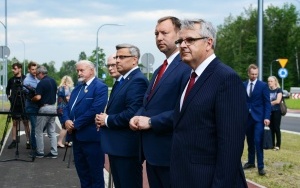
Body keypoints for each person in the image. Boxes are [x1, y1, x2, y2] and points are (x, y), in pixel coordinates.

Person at [169, 19, 248, 188]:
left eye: (189, 40)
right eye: (180, 41)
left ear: (208, 43)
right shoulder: (190, 78)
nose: (182, 45)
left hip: (209, 180)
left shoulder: (226, 79)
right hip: (185, 177)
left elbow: (231, 145)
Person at [129, 16, 190, 188]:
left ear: (179, 34)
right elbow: (147, 103)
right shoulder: (159, 70)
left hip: (171, 154)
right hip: (153, 153)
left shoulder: (186, 67)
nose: (159, 38)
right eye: (156, 34)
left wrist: (150, 122)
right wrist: (137, 116)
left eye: (165, 33)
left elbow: (184, 110)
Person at [96, 44, 148, 188]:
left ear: (134, 60)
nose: (118, 60)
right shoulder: (123, 80)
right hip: (118, 147)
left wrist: (106, 120)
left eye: (122, 57)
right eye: (117, 57)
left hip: (126, 148)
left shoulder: (137, 80)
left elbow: (132, 113)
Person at [62, 60, 108, 188]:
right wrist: (66, 120)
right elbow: (67, 107)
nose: (79, 73)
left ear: (92, 70)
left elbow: (95, 110)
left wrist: (75, 124)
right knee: (83, 174)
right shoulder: (78, 87)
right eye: (77, 70)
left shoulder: (100, 87)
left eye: (82, 70)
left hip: (91, 138)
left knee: (96, 175)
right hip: (77, 138)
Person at [243, 64, 271, 176]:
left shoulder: (263, 86)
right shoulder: (243, 85)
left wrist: (267, 117)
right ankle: (250, 162)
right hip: (247, 118)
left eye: (256, 74)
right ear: (248, 73)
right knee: (249, 141)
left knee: (257, 141)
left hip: (259, 118)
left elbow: (267, 103)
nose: (254, 76)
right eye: (252, 74)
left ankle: (261, 166)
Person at [31, 66, 58, 158]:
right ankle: (54, 152)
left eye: (37, 74)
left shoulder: (41, 83)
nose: (36, 76)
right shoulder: (53, 81)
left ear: (41, 73)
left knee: (38, 130)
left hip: (44, 108)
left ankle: (40, 151)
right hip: (53, 108)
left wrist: (32, 98)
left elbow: (38, 97)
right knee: (52, 131)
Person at [6, 62, 31, 149]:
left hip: (24, 103)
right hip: (14, 104)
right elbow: (7, 89)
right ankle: (14, 140)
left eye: (15, 68)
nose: (13, 70)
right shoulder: (11, 80)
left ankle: (28, 141)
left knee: (26, 122)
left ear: (20, 69)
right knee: (14, 123)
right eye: (13, 69)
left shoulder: (25, 79)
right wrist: (9, 97)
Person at [24, 61, 39, 151]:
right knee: (34, 126)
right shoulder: (27, 80)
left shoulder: (38, 78)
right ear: (29, 69)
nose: (34, 71)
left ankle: (35, 143)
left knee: (38, 126)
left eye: (36, 69)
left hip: (38, 106)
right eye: (32, 69)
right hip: (31, 105)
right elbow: (26, 94)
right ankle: (34, 146)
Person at [57, 75, 74, 148]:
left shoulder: (59, 88)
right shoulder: (67, 88)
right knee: (65, 126)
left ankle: (67, 141)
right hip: (65, 108)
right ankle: (60, 142)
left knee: (64, 125)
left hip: (59, 108)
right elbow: (68, 99)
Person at [267, 76, 283, 151]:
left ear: (275, 82)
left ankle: (278, 145)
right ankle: (272, 144)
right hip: (269, 111)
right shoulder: (267, 90)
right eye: (268, 81)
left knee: (276, 128)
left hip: (277, 111)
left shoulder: (278, 90)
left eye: (271, 81)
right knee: (271, 128)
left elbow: (278, 100)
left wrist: (269, 103)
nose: (269, 83)